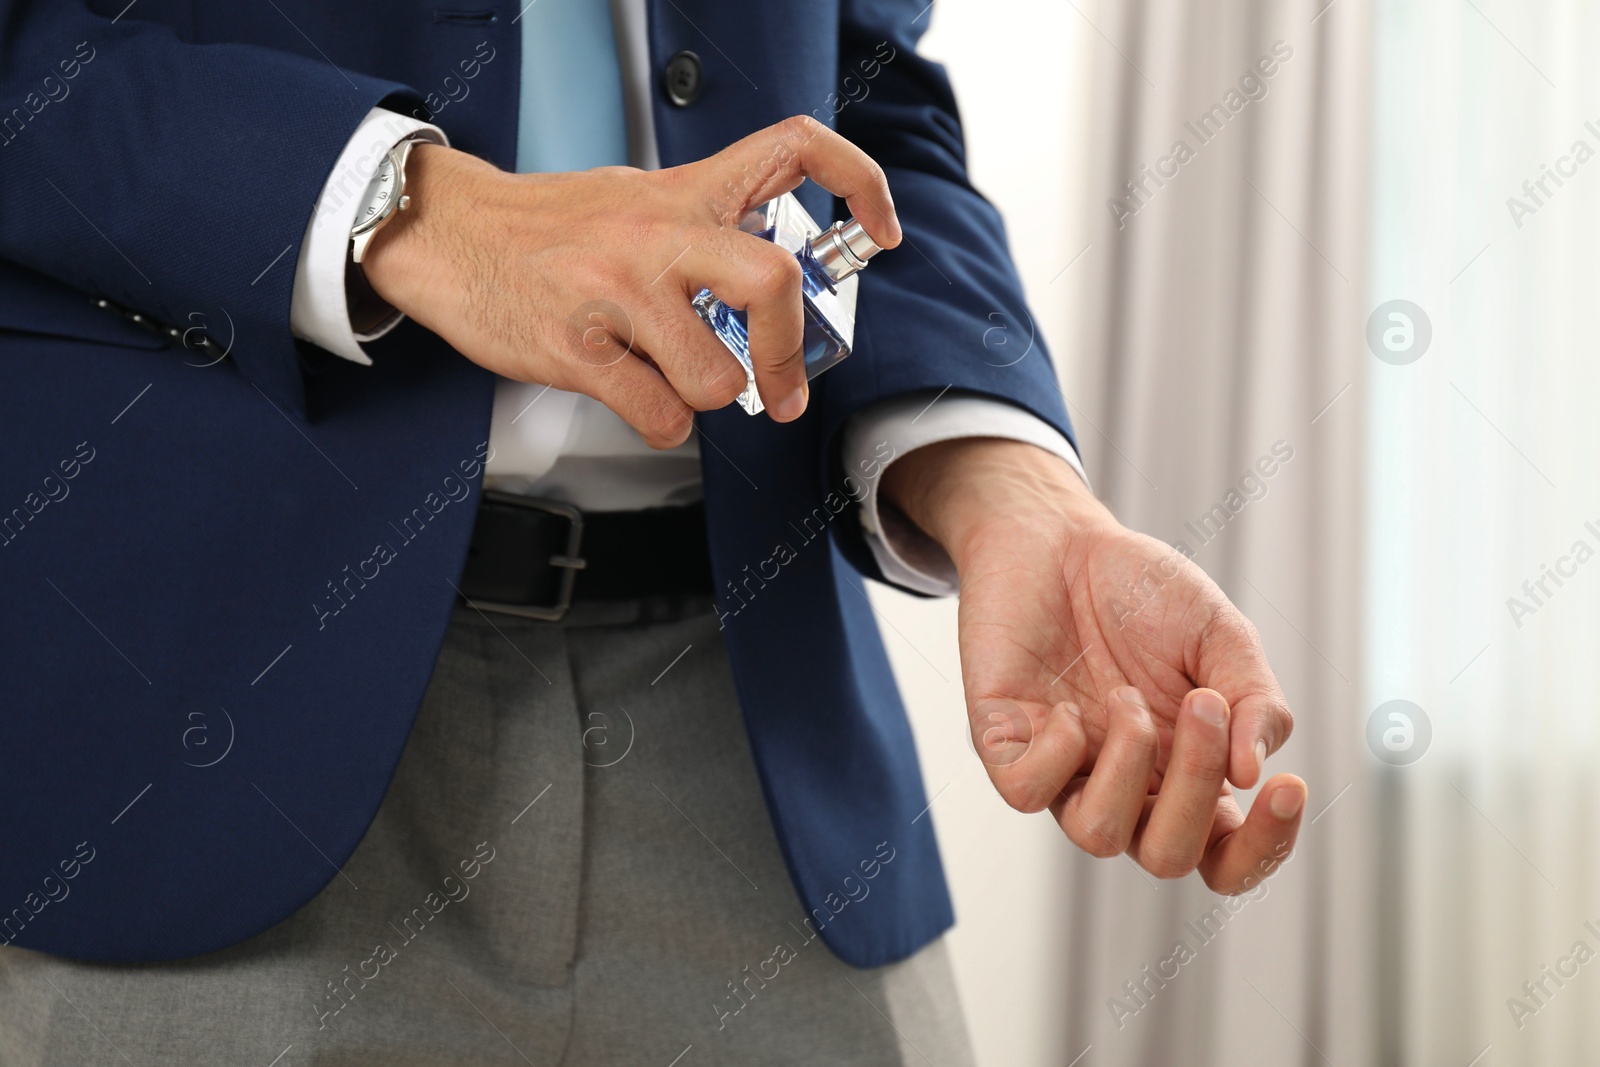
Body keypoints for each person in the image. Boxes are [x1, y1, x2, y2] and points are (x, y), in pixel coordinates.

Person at [0, 0, 1305, 1062]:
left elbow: (861, 109)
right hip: (207, 727)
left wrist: (1011, 489)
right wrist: (411, 208)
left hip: (755, 735)